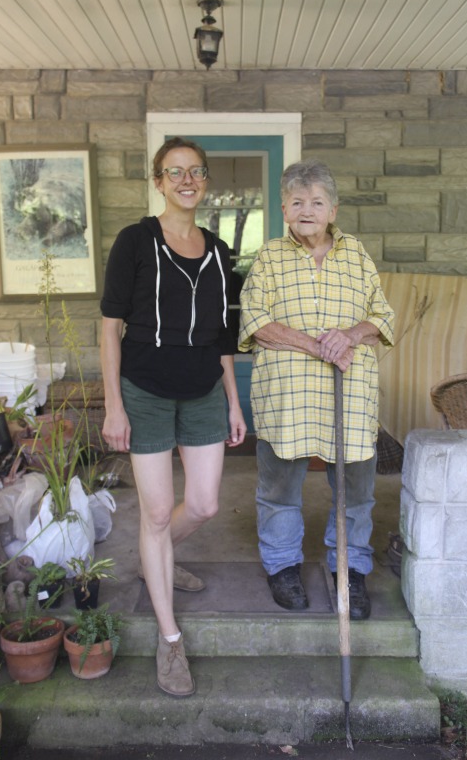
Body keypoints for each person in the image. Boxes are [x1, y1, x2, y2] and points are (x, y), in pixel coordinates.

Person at [100, 136, 247, 697]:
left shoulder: (218, 250)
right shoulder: (135, 241)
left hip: (206, 390)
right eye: (174, 171)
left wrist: (234, 400)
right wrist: (113, 404)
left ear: (205, 181)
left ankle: (152, 559)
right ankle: (169, 640)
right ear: (158, 181)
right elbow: (110, 327)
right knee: (157, 512)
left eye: (196, 171)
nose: (187, 180)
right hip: (145, 393)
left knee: (204, 503)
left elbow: (224, 337)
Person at [238, 159, 394, 619]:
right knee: (280, 488)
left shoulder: (358, 255)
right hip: (289, 399)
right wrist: (318, 345)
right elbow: (255, 321)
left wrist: (349, 336)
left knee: (355, 493)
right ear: (284, 209)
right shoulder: (269, 256)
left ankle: (350, 570)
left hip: (351, 393)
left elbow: (383, 317)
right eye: (298, 201)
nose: (307, 209)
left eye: (317, 202)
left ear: (333, 210)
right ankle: (283, 567)